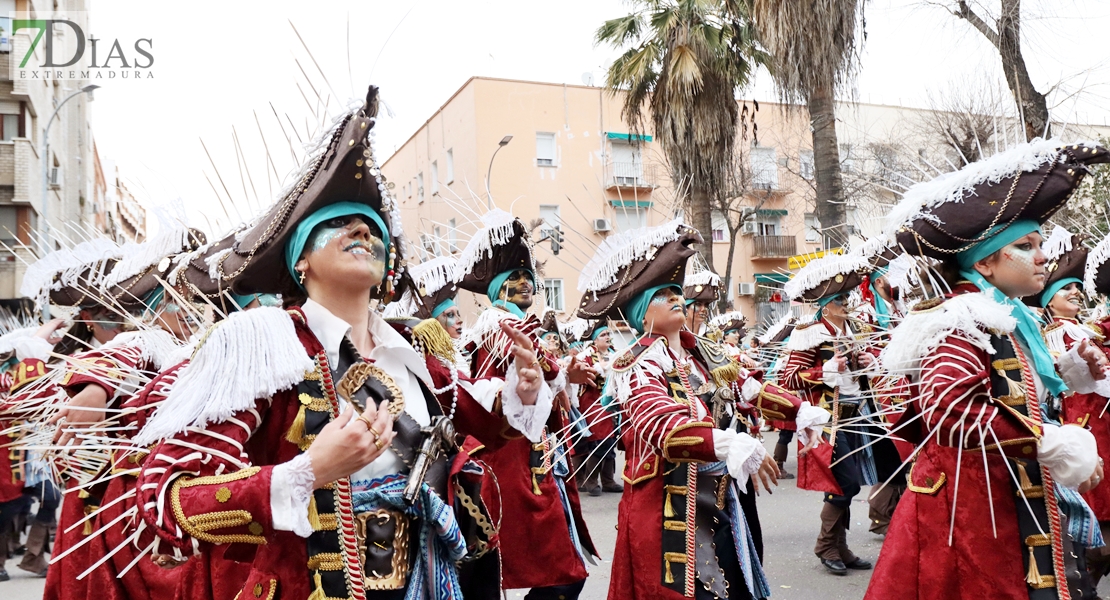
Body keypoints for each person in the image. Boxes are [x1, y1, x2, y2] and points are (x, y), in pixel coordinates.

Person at [135, 87, 545, 600]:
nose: (361, 230)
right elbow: (166, 499)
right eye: (337, 223)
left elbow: (465, 418)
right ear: (298, 260)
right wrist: (310, 471)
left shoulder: (412, 349)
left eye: (373, 226)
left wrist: (521, 395)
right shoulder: (261, 346)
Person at [867, 140, 1110, 599]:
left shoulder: (1008, 315)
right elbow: (948, 408)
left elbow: (1005, 384)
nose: (1043, 257)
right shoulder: (960, 319)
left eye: (1040, 243)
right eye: (1025, 245)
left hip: (1004, 501)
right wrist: (1048, 441)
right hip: (970, 516)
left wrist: (1066, 370)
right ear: (984, 262)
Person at [576, 219, 828, 599]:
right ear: (644, 312)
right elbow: (661, 426)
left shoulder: (701, 352)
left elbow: (750, 387)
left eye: (678, 292)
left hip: (715, 497)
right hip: (665, 504)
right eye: (664, 294)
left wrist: (799, 411)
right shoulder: (638, 363)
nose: (677, 298)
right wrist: (727, 444)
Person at [453, 209, 598, 599]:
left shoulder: (517, 326)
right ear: (499, 287)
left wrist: (564, 375)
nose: (524, 284)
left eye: (528, 277)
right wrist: (557, 376)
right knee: (559, 571)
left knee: (557, 570)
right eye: (514, 278)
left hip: (532, 460)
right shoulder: (498, 327)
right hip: (513, 464)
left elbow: (543, 374)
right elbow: (497, 387)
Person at [781, 249, 886, 576]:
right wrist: (825, 369)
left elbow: (860, 375)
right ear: (828, 306)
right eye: (842, 301)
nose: (848, 306)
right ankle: (827, 545)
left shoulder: (852, 333)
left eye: (849, 299)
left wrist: (869, 363)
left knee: (845, 484)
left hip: (855, 415)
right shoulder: (809, 333)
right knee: (847, 482)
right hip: (826, 420)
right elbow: (787, 378)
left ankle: (839, 547)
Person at [573, 321, 621, 497]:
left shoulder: (615, 354)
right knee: (600, 440)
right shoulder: (586, 356)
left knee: (611, 440)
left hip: (611, 403)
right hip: (593, 402)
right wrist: (600, 368)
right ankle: (590, 480)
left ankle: (608, 480)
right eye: (603, 335)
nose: (608, 337)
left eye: (608, 334)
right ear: (594, 341)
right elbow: (581, 375)